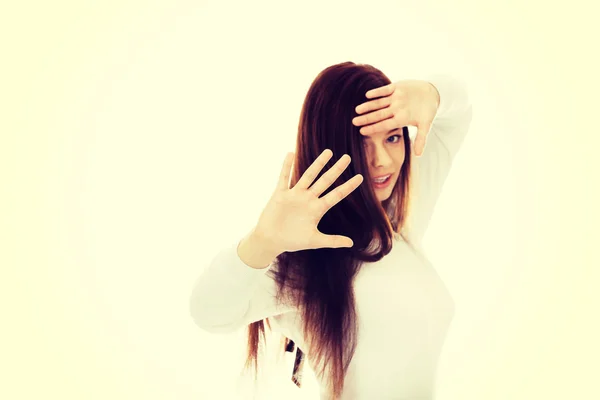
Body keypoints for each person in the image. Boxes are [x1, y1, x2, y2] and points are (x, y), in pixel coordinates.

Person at [189, 61, 473, 399]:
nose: (382, 160)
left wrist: (430, 93)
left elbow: (459, 113)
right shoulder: (309, 258)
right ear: (331, 151)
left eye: (393, 137)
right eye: (361, 144)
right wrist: (263, 242)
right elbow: (208, 313)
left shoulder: (399, 221)